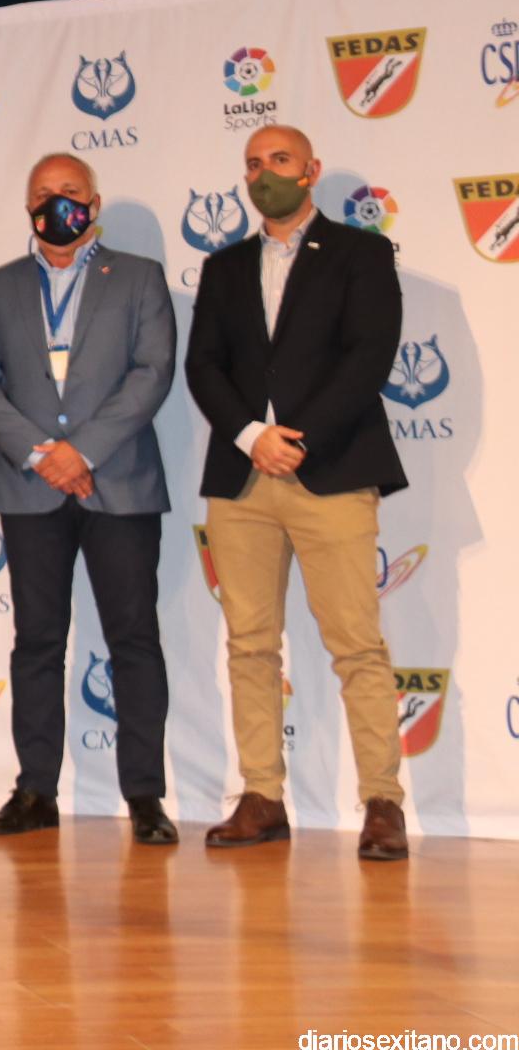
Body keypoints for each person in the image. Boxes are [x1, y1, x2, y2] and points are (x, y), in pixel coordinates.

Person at [186, 124, 410, 861]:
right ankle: (261, 798)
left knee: (356, 644)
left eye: (279, 160)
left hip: (331, 471)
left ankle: (383, 801)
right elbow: (203, 366)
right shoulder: (223, 267)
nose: (265, 174)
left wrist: (299, 438)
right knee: (250, 645)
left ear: (311, 171)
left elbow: (369, 357)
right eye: (253, 164)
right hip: (243, 479)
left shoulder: (360, 253)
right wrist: (253, 436)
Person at [0, 153, 178, 844]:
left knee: (133, 639)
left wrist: (80, 452)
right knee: (36, 643)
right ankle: (35, 792)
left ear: (95, 204)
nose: (57, 203)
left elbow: (153, 372)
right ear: (28, 205)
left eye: (71, 192)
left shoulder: (139, 277)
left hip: (120, 482)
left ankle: (144, 796)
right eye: (43, 193)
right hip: (31, 489)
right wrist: (43, 455)